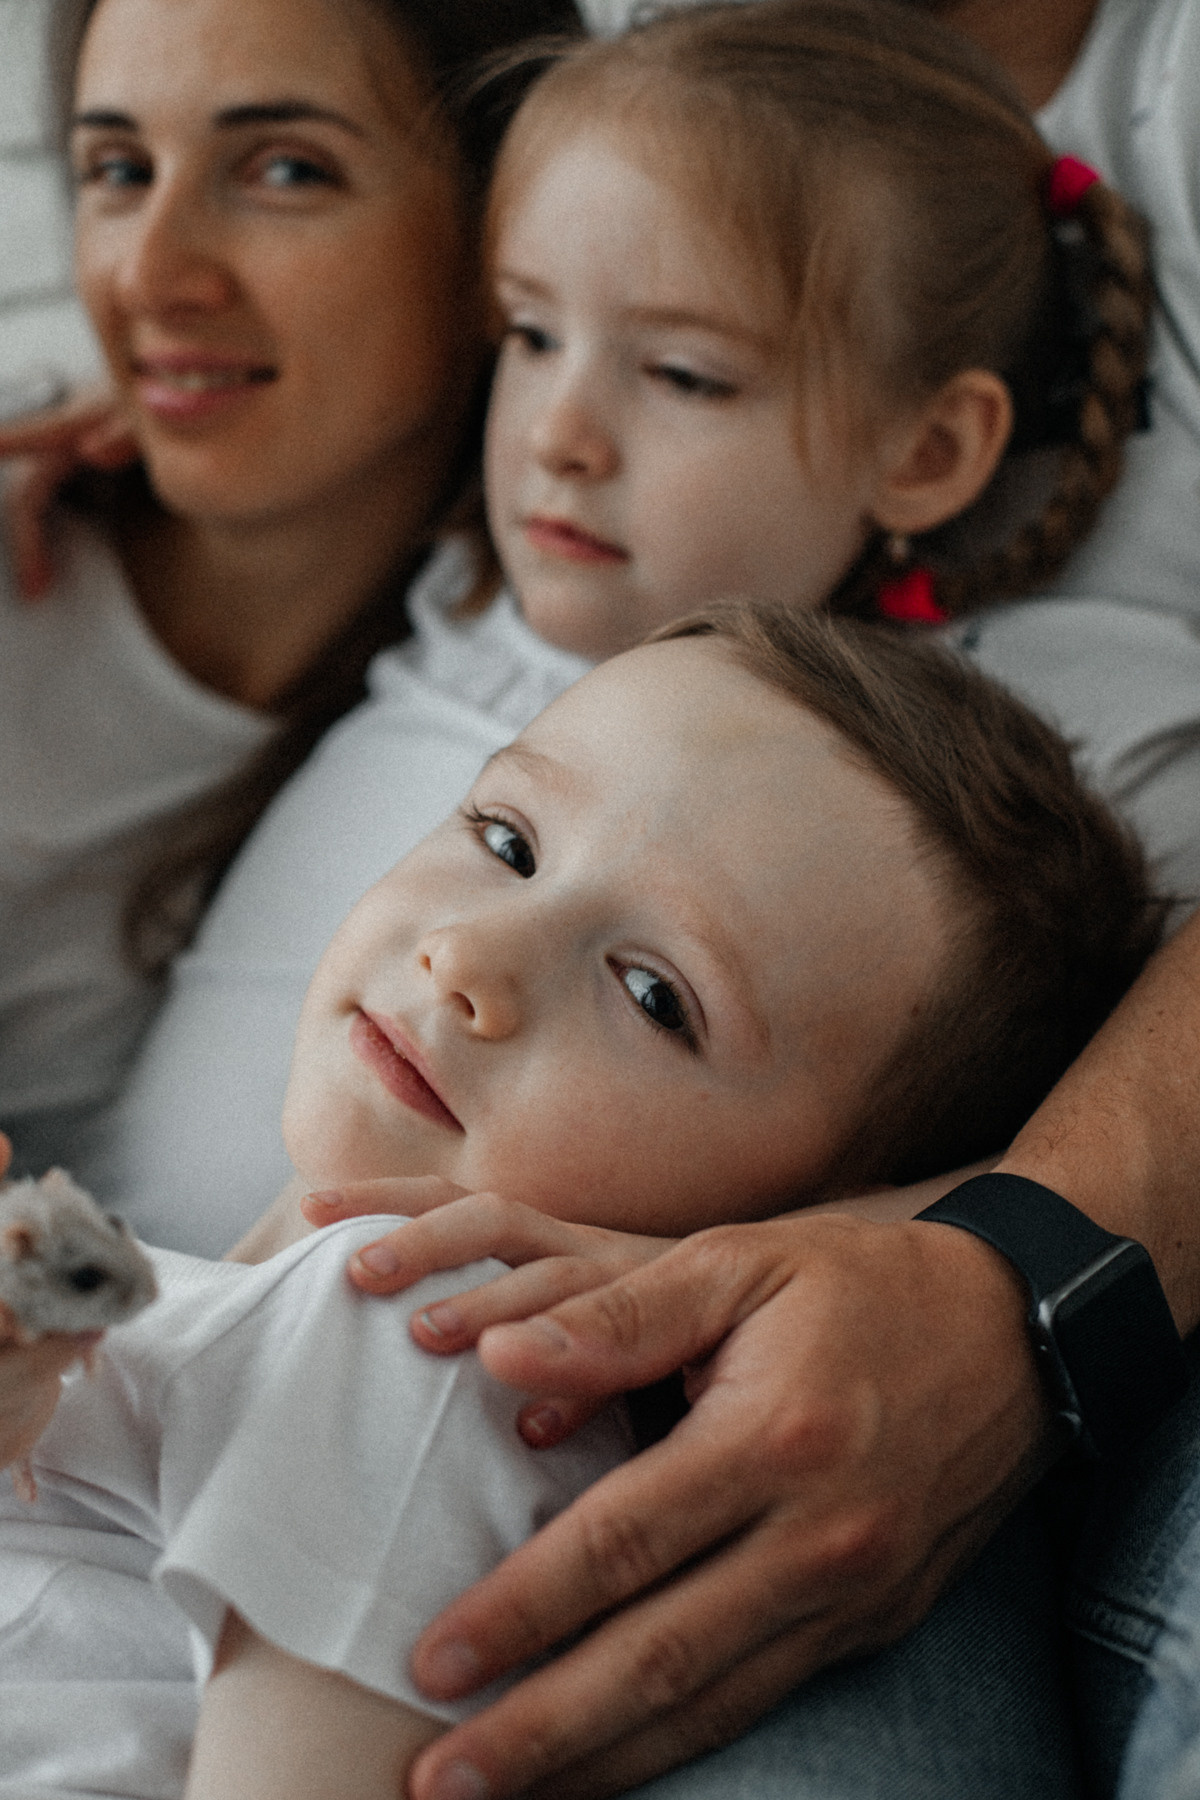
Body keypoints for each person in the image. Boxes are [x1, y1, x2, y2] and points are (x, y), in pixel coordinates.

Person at [2, 0, 1196, 1794]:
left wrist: (974, 1255)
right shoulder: (511, 610)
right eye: (528, 336)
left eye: (655, 995)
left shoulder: (952, 777)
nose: (558, 436)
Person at [0, 600, 1162, 1799]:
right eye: (507, 842)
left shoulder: (426, 1330)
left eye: (657, 997)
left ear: (799, 1237)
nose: (472, 963)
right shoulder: (155, 1300)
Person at [0, 0, 582, 1169]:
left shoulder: (506, 719)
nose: (152, 276)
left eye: (282, 169)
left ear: (507, 234)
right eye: (118, 169)